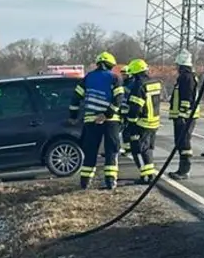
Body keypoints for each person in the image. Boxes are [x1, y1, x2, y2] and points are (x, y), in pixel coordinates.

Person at [68, 51, 125, 189]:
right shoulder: (114, 78)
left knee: (91, 150)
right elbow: (119, 99)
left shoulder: (87, 78)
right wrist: (107, 114)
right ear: (110, 65)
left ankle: (85, 182)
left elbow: (76, 98)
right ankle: (110, 181)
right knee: (111, 150)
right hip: (111, 120)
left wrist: (73, 116)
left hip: (91, 120)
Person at [121, 58, 163, 184]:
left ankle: (145, 176)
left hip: (142, 123)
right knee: (148, 149)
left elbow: (135, 108)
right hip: (154, 121)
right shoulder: (155, 82)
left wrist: (130, 123)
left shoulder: (139, 86)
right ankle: (149, 174)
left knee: (137, 149)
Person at [168, 50, 201, 179]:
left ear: (181, 65)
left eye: (177, 65)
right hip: (183, 116)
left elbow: (186, 98)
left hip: (185, 117)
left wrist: (181, 114)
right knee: (180, 142)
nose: (176, 67)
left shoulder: (186, 77)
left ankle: (184, 171)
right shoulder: (186, 77)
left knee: (184, 143)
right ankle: (182, 169)